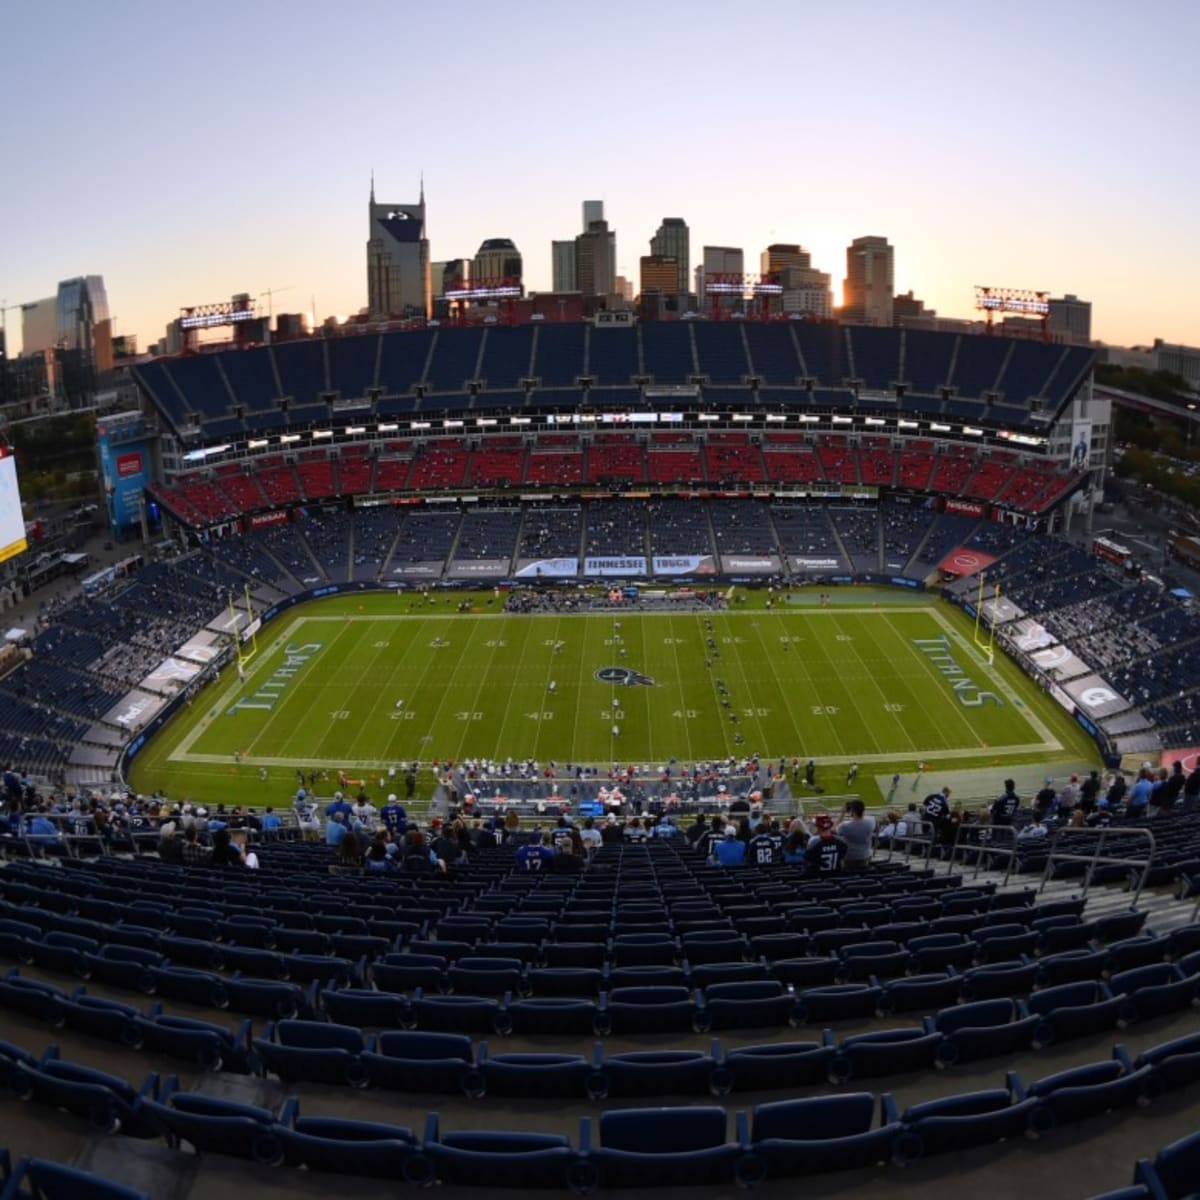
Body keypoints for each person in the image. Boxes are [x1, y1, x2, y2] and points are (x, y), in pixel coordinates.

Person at [837, 800, 875, 873]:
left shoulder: (845, 826)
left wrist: (842, 813)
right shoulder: (871, 822)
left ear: (852, 811)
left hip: (850, 858)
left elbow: (833, 830)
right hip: (865, 856)